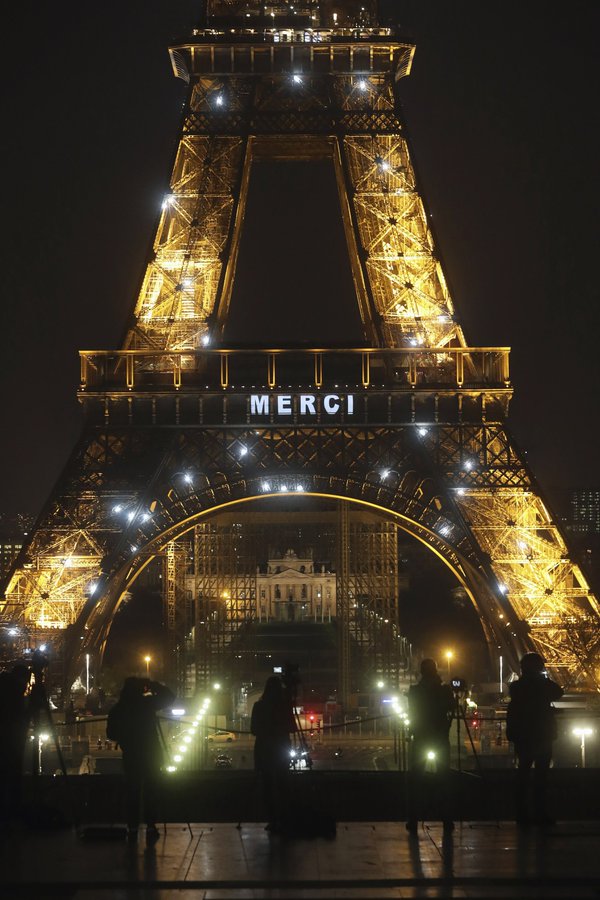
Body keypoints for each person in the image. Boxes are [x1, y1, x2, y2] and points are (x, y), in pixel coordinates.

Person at [107, 677, 175, 844]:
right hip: (151, 754)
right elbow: (170, 696)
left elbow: (111, 733)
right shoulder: (147, 705)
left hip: (131, 755)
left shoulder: (119, 708)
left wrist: (126, 736)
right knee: (151, 791)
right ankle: (151, 826)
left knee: (132, 792)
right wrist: (153, 684)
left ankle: (132, 828)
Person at [506, 652, 563, 826]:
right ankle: (540, 813)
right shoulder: (542, 686)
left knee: (523, 775)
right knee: (541, 777)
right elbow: (558, 692)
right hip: (542, 735)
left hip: (524, 735)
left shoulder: (517, 687)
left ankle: (522, 814)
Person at [406, 658, 455, 834]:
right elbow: (451, 708)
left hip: (421, 735)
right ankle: (447, 819)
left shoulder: (416, 691)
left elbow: (413, 711)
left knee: (416, 778)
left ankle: (413, 819)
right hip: (439, 736)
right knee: (444, 778)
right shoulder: (444, 691)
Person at [250, 675, 295, 831]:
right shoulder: (284, 707)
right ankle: (286, 819)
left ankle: (272, 819)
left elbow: (253, 729)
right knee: (283, 784)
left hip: (264, 750)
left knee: (267, 786)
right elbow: (292, 728)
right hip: (281, 749)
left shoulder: (258, 706)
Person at [0, 664, 31, 825]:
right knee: (11, 777)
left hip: (7, 743)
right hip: (11, 745)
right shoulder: (13, 698)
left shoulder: (6, 691)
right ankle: (13, 812)